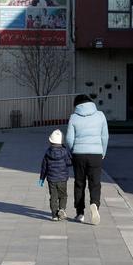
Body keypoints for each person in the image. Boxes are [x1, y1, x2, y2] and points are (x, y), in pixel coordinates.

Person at [65, 93, 108, 224]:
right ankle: (95, 204)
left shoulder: (73, 117)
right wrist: (103, 152)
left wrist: (73, 151)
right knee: (95, 183)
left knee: (79, 183)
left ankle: (80, 213)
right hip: (96, 154)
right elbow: (105, 137)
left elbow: (69, 138)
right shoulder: (100, 115)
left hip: (79, 154)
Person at [39, 129, 72, 221]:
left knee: (53, 197)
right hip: (62, 179)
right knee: (63, 195)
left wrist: (42, 178)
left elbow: (44, 167)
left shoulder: (47, 153)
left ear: (50, 141)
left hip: (51, 180)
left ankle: (54, 215)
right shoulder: (65, 152)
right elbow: (69, 163)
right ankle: (62, 209)